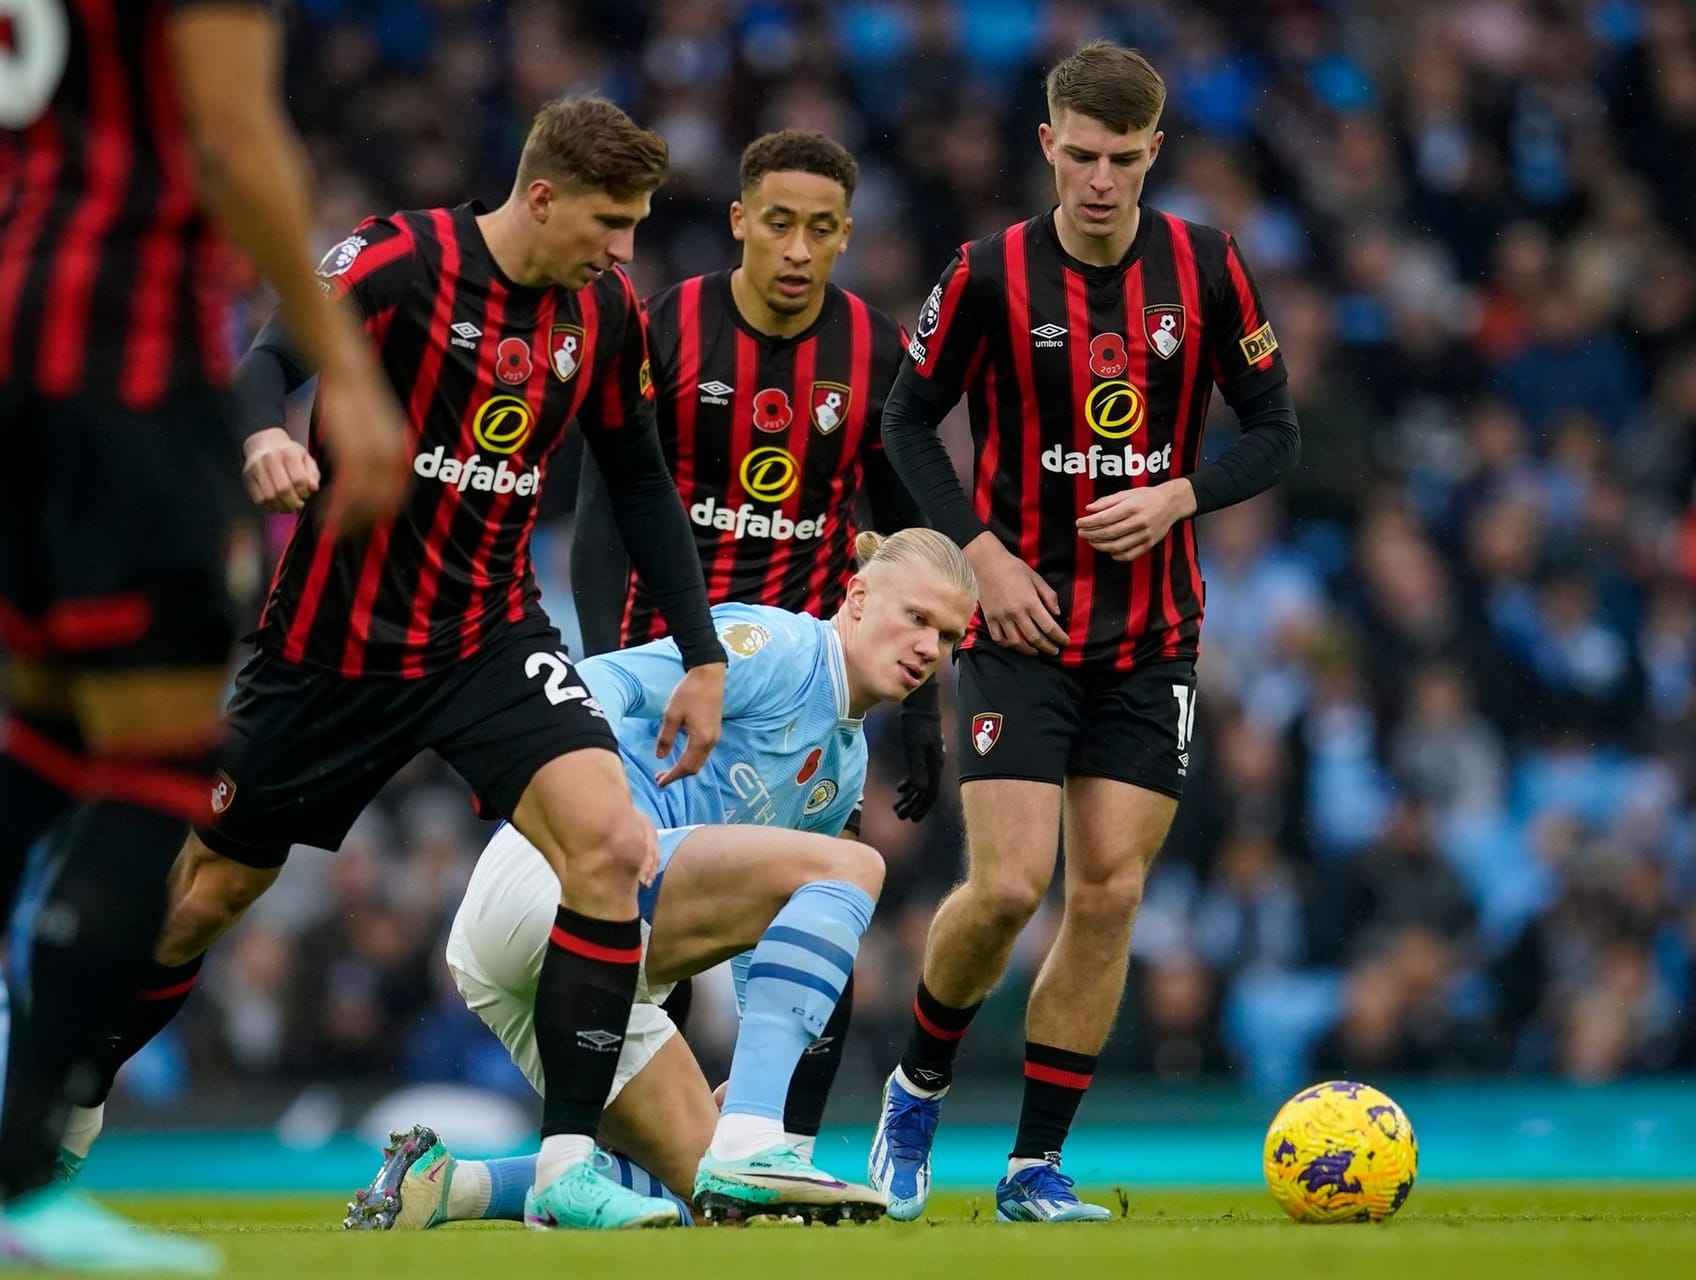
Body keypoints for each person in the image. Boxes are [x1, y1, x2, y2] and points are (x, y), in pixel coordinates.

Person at [53, 96, 732, 1233]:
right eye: (610, 222)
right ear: (545, 193)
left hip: (489, 637)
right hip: (332, 646)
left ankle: (567, 1164)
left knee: (613, 844)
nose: (624, 250)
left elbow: (642, 478)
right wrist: (268, 433)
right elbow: (261, 365)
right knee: (206, 897)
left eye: (636, 227)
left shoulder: (605, 311)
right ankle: (72, 1085)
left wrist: (700, 654)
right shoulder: (398, 257)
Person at [0, 1, 407, 1269]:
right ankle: (23, 1180)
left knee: (48, 743)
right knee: (154, 766)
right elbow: (232, 134)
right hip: (126, 358)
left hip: (16, 334)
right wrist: (341, 363)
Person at [867, 42, 1300, 1223]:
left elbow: (1276, 430)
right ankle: (915, 1086)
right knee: (1008, 886)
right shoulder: (990, 271)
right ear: (1048, 145)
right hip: (1019, 620)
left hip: (1153, 633)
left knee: (1108, 895)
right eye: (1082, 155)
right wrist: (980, 554)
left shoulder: (1209, 269)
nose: (1101, 180)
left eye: (1125, 158)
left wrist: (1182, 494)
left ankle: (1031, 1167)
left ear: (1154, 152)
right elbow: (907, 423)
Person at [345, 529, 977, 1228]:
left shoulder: (843, 763)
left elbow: (766, 926)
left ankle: (445, 1187)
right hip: (555, 878)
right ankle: (753, 1138)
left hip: (563, 964)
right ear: (857, 598)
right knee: (858, 865)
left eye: (948, 637)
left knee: (725, 1204)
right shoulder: (777, 649)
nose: (930, 649)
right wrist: (605, 807)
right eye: (917, 618)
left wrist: (760, 1074)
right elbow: (596, 684)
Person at [570, 128, 938, 1159]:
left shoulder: (876, 353)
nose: (795, 248)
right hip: (669, 691)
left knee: (814, 919)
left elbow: (909, 552)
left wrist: (923, 711)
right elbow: (604, 514)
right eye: (777, 223)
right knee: (655, 951)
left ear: (845, 237)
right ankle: (635, 1164)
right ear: (739, 220)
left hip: (797, 708)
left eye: (820, 230)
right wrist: (607, 699)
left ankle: (784, 1162)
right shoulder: (666, 328)